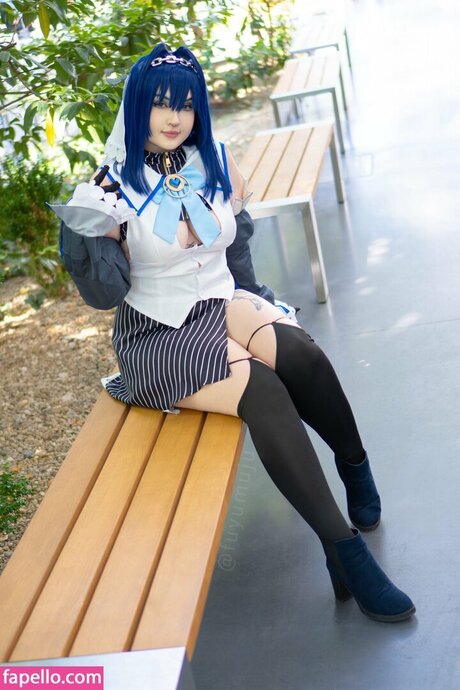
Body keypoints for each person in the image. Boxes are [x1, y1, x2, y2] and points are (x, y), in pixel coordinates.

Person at [53, 43, 415, 623]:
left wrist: (262, 311)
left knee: (299, 353)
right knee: (264, 392)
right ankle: (343, 551)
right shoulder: (110, 188)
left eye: (186, 105)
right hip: (158, 333)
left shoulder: (216, 158)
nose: (175, 117)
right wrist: (86, 237)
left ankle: (355, 468)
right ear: (138, 106)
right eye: (161, 104)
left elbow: (236, 248)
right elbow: (105, 297)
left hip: (219, 299)